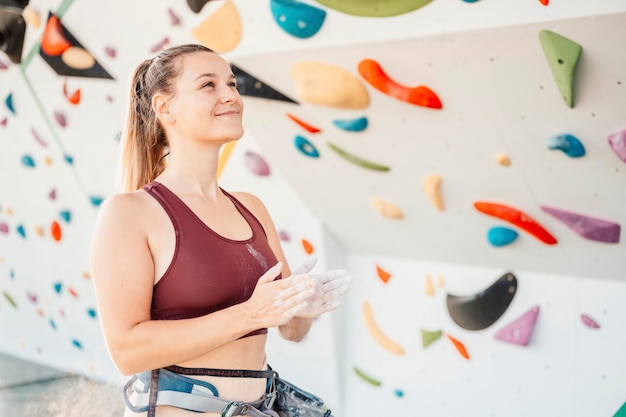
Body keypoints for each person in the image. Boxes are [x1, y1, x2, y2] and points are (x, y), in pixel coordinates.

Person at [89, 44, 351, 417]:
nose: (231, 95)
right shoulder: (129, 214)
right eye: (208, 86)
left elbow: (292, 332)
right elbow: (126, 352)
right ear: (165, 108)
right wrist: (250, 315)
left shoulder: (252, 207)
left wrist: (300, 309)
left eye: (232, 83)